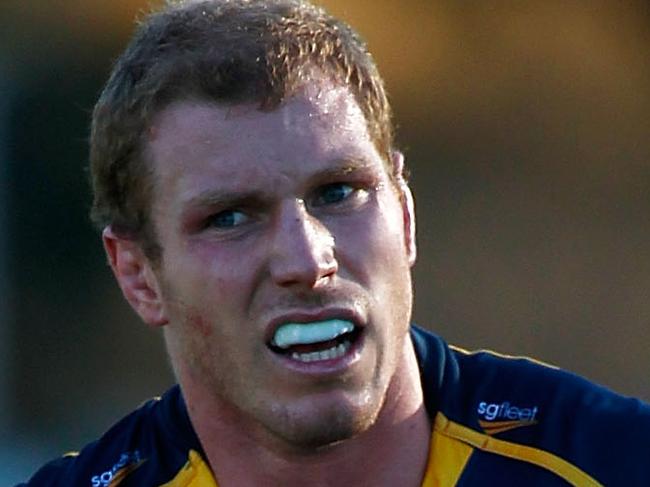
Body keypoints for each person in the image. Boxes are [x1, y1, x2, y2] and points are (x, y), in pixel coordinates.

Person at [20, 0, 650, 485]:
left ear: (404, 214)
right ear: (138, 275)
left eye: (339, 192)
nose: (306, 259)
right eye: (231, 218)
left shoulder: (617, 462)